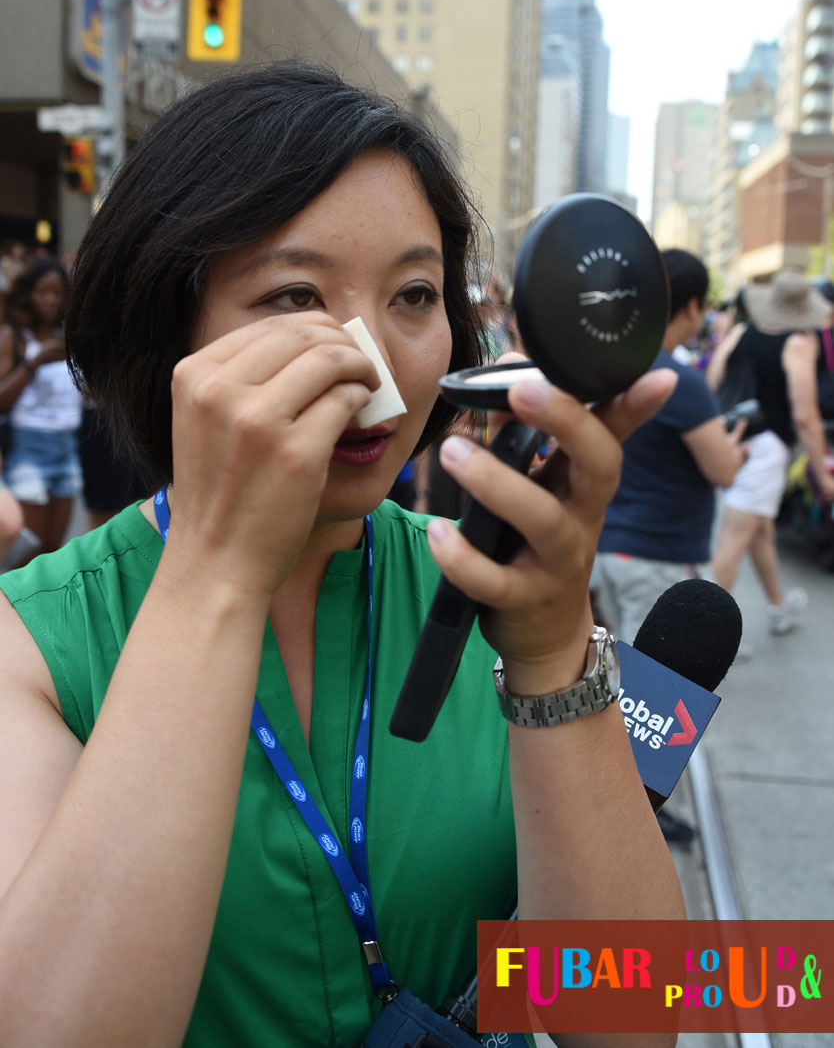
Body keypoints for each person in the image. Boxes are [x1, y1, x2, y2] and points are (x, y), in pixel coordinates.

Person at [0, 63, 682, 1048]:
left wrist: (550, 651)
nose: (371, 356)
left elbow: (633, 1016)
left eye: (414, 292)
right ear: (166, 323)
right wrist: (219, 574)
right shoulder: (34, 643)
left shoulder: (489, 587)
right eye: (292, 295)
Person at [593, 249, 748, 647]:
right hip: (659, 557)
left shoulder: (610, 365)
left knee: (621, 671)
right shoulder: (679, 381)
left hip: (610, 548)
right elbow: (723, 471)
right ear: (693, 305)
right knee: (649, 693)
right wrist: (733, 450)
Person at [706, 270, 834, 633]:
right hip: (765, 449)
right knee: (733, 540)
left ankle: (777, 606)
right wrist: (822, 473)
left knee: (758, 530)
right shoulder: (798, 342)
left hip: (730, 440)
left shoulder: (741, 333)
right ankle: (704, 635)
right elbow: (804, 414)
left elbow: (712, 382)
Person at [0, 258, 83, 560]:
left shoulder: (69, 337)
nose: (50, 299)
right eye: (41, 291)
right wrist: (34, 363)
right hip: (29, 447)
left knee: (52, 555)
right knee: (25, 554)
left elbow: (85, 395)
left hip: (67, 447)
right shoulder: (16, 337)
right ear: (28, 294)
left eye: (57, 292)